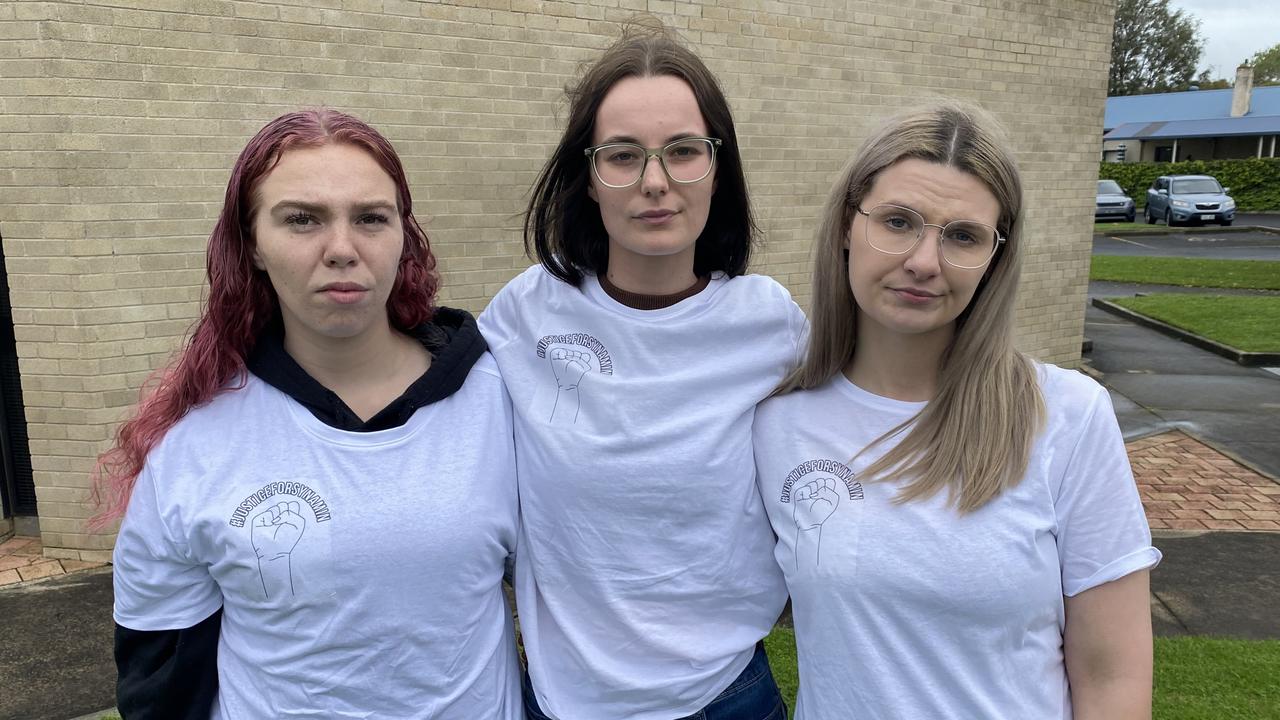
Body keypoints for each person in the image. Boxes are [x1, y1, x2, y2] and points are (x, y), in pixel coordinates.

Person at [100, 109, 521, 718]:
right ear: (253, 244)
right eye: (302, 220)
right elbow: (162, 681)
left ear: (404, 235)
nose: (342, 249)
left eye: (371, 218)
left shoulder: (500, 398)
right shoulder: (193, 443)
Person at [753, 102, 1161, 719]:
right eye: (897, 222)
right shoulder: (778, 421)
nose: (923, 261)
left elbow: (1112, 677)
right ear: (846, 224)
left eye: (962, 236)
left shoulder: (1068, 417)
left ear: (997, 254)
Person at [478, 25, 802, 720]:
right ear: (588, 178)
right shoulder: (521, 316)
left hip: (727, 700)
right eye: (622, 156)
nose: (655, 182)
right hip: (560, 701)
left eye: (684, 151)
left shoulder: (773, 327)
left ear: (719, 166)